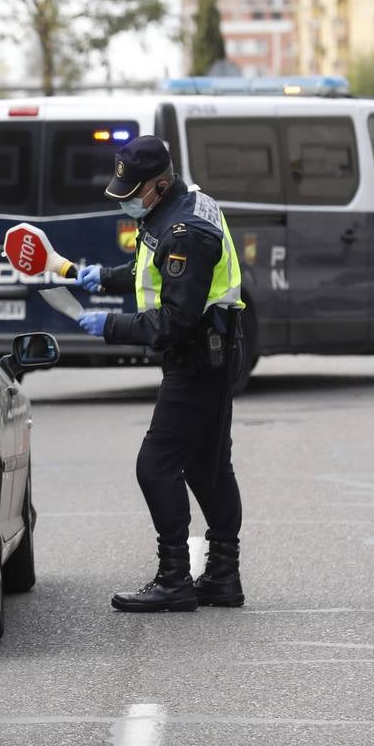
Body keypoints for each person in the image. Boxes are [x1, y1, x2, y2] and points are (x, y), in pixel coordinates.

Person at [72, 136, 246, 613]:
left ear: (161, 184)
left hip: (196, 357)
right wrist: (103, 277)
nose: (127, 198)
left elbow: (175, 319)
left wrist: (110, 325)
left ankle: (175, 580)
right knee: (208, 468)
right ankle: (222, 578)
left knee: (156, 466)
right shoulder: (176, 209)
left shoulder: (186, 231)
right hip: (212, 352)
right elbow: (151, 265)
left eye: (134, 189)